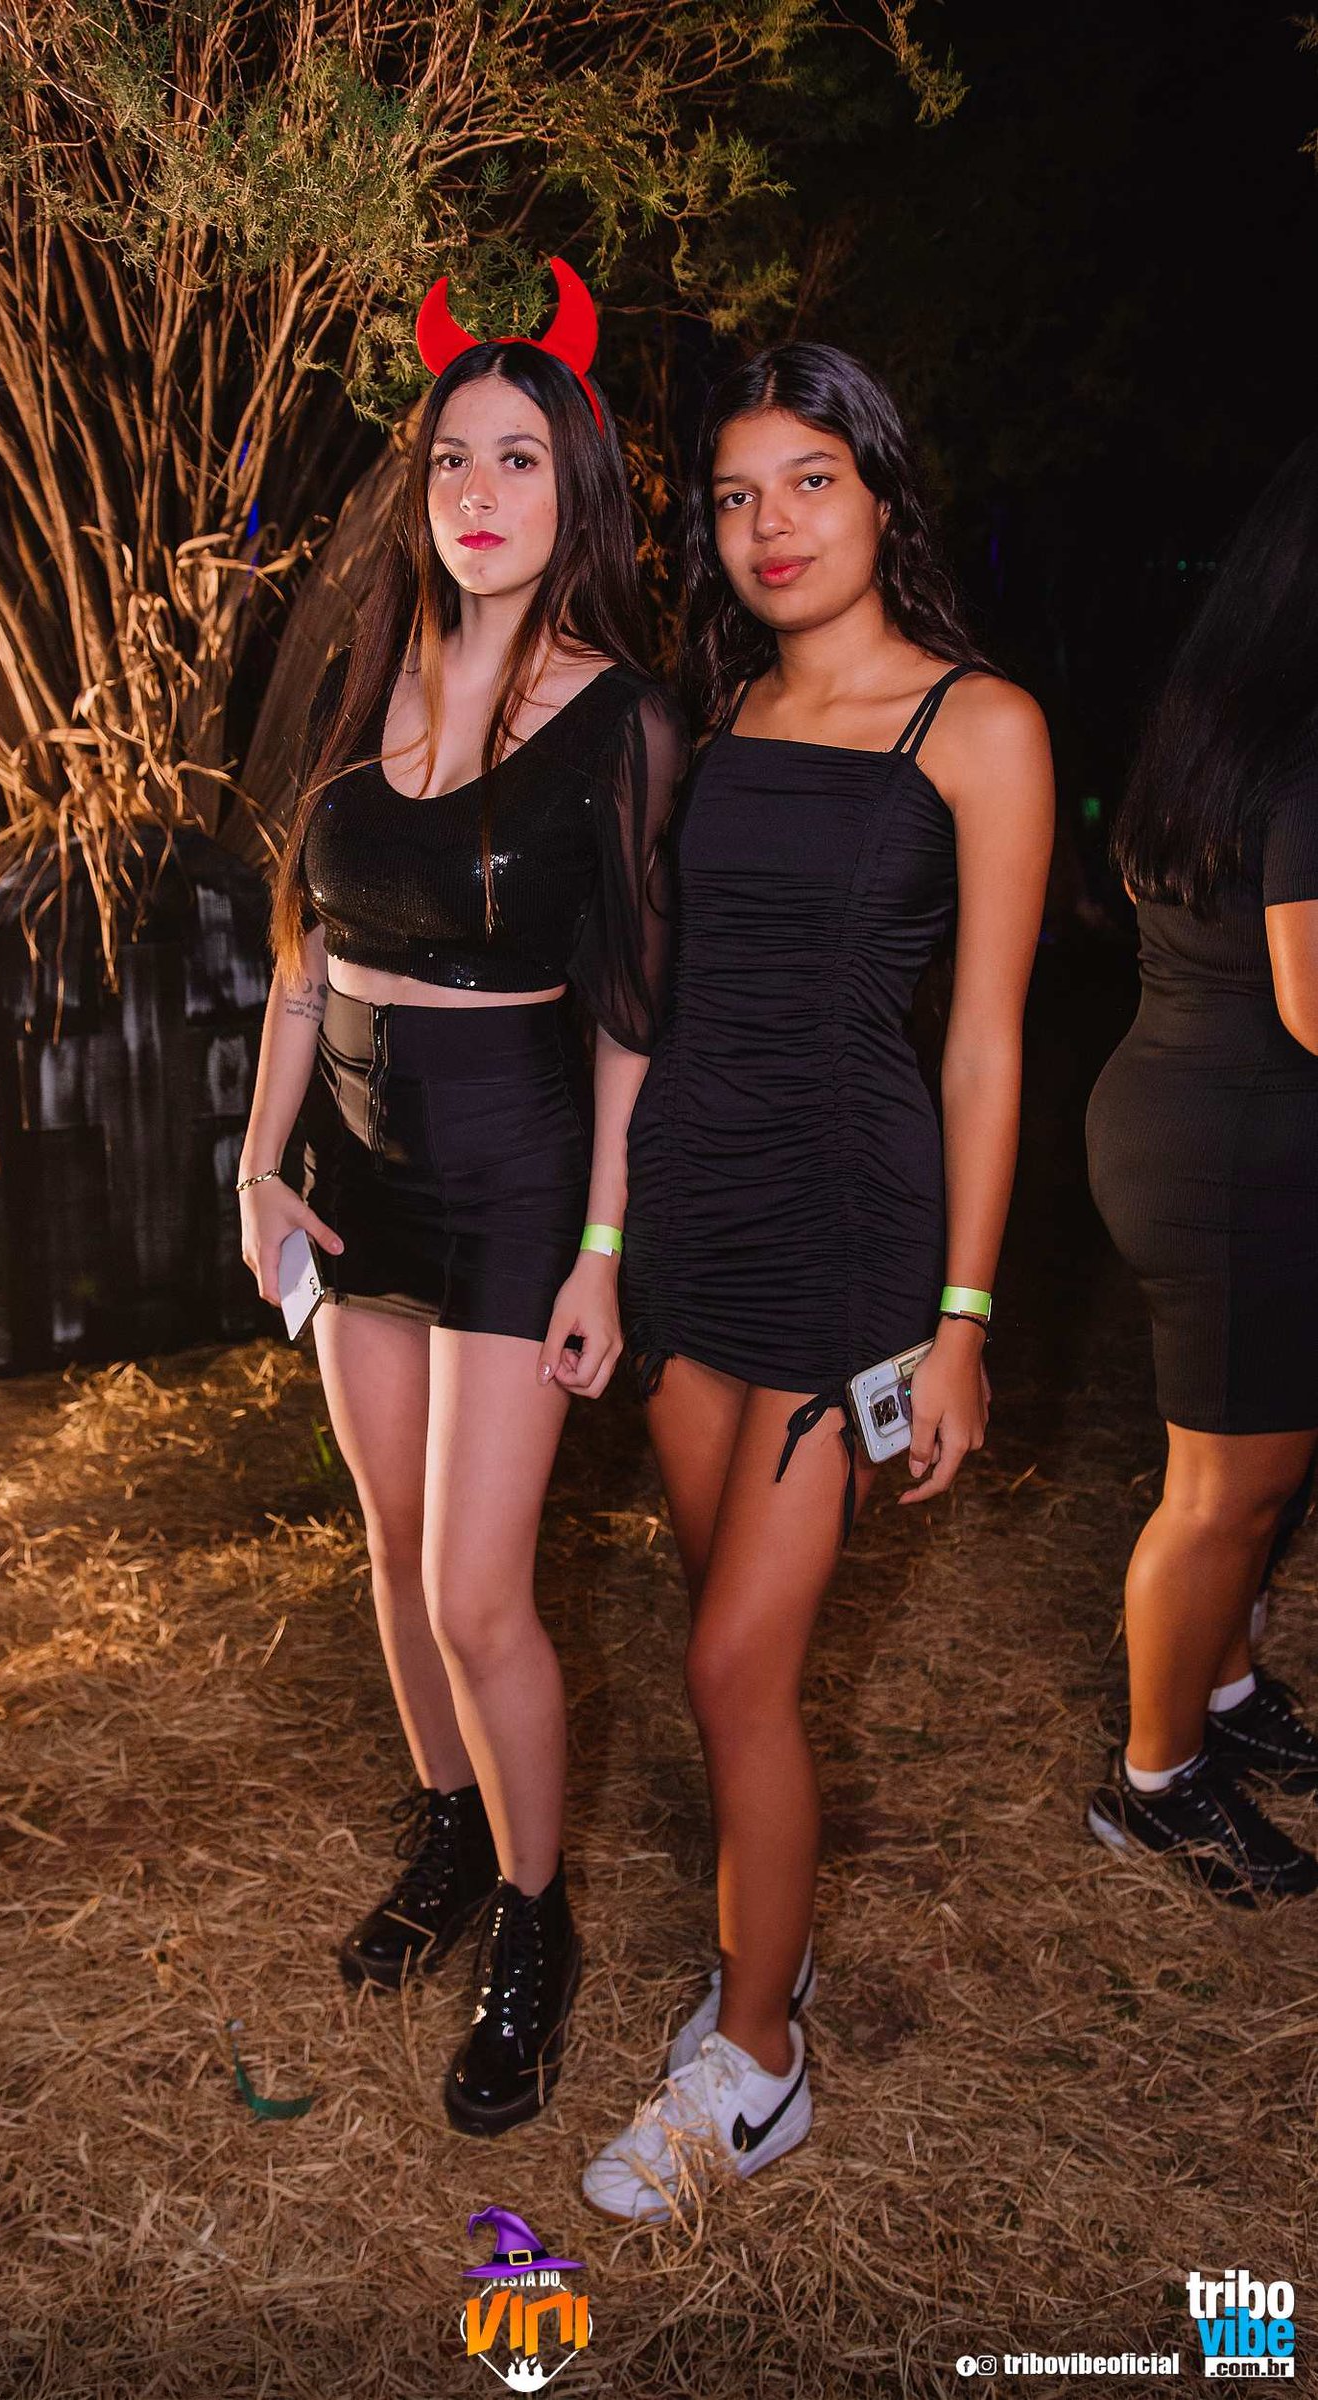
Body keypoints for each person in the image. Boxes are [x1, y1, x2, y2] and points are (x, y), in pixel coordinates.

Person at [580, 341, 1054, 2223]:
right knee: (732, 1658)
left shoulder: (979, 724)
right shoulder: (722, 710)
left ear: (880, 492)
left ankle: (758, 2060)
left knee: (730, 1664)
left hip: (851, 1224)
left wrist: (963, 1322)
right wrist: (612, 1234)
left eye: (810, 483)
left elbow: (987, 1048)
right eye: (734, 496)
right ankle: (748, 1961)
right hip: (693, 1206)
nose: (769, 526)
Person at [238, 260, 685, 2136]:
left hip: (513, 1177)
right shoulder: (370, 675)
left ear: (576, 488)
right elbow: (303, 947)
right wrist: (259, 1159)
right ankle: (445, 1830)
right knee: (387, 1538)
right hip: (351, 1172)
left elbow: (634, 1013)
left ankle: (531, 1917)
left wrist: (602, 1250)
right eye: (449, 460)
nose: (477, 494)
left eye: (517, 459)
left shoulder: (620, 719)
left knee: (473, 1587)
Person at [1085, 433, 1318, 1905]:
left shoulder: (1219, 707)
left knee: (1238, 1472)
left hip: (1180, 1114)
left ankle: (1223, 1696)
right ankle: (1155, 1787)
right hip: (1236, 1151)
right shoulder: (1308, 741)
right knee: (1229, 1490)